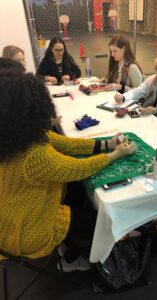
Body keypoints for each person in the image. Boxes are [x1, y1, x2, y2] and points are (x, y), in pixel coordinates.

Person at [0, 58, 135, 271]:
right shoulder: (34, 153)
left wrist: (105, 144)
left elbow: (66, 143)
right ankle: (73, 258)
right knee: (96, 220)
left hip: (11, 216)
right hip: (24, 232)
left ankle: (70, 244)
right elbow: (78, 168)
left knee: (78, 193)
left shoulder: (14, 138)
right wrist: (115, 154)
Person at [115, 52, 157, 132]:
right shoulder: (152, 79)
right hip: (149, 117)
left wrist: (156, 110)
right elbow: (137, 92)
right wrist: (123, 97)